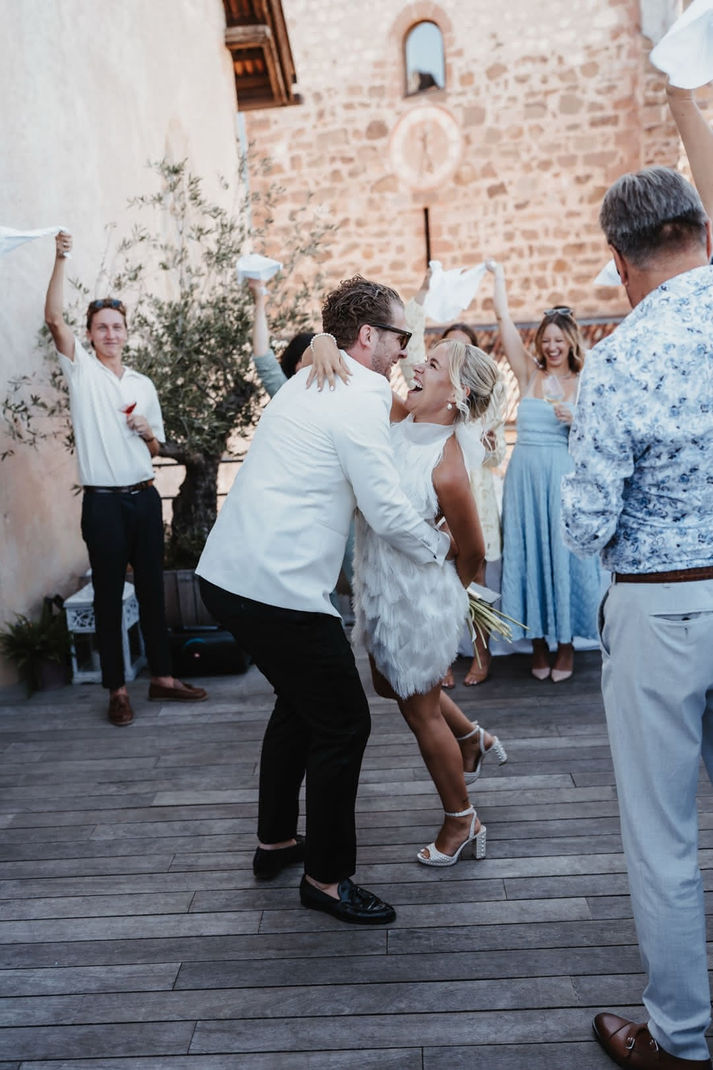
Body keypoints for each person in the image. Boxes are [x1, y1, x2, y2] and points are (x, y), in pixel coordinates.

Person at [196, 275, 453, 925]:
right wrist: (436, 551)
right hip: (270, 587)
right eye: (400, 337)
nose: (405, 349)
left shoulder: (318, 376)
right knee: (343, 721)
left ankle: (276, 841)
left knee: (300, 705)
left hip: (233, 576)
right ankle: (327, 880)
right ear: (367, 336)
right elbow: (383, 503)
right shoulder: (357, 390)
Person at [561, 166, 713, 1069]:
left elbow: (583, 524)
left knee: (663, 839)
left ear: (620, 260)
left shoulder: (622, 356)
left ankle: (681, 1039)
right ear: (700, 230)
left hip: (662, 610)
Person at [312, 331, 507, 863]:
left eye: (435, 364)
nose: (418, 366)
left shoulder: (446, 464)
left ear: (457, 392)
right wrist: (324, 340)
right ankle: (469, 736)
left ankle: (461, 820)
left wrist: (447, 600)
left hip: (419, 601)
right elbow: (356, 373)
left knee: (418, 711)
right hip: (377, 587)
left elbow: (472, 551)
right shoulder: (401, 420)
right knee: (386, 683)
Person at [44, 232, 207, 727]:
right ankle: (117, 690)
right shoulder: (82, 373)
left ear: (126, 332)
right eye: (101, 327)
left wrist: (147, 434)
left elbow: (156, 449)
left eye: (117, 326)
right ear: (90, 335)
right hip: (104, 504)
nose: (110, 333)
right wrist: (61, 256)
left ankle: (163, 679)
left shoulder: (143, 384)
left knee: (153, 593)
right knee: (111, 596)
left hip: (142, 498)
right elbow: (53, 317)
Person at [485, 260, 602, 682]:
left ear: (570, 342)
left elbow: (602, 437)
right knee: (528, 554)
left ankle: (566, 646)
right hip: (524, 481)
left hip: (562, 480)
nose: (551, 346)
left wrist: (578, 422)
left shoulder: (585, 381)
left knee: (561, 556)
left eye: (558, 340)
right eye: (546, 340)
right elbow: (502, 320)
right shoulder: (528, 373)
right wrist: (498, 278)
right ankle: (537, 644)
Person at [401, 287, 507, 687]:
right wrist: (424, 295)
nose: (425, 367)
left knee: (473, 579)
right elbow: (410, 355)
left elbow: (495, 459)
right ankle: (443, 657)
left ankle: (481, 654)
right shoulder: (421, 408)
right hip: (432, 507)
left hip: (473, 494)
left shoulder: (482, 411)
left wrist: (491, 448)